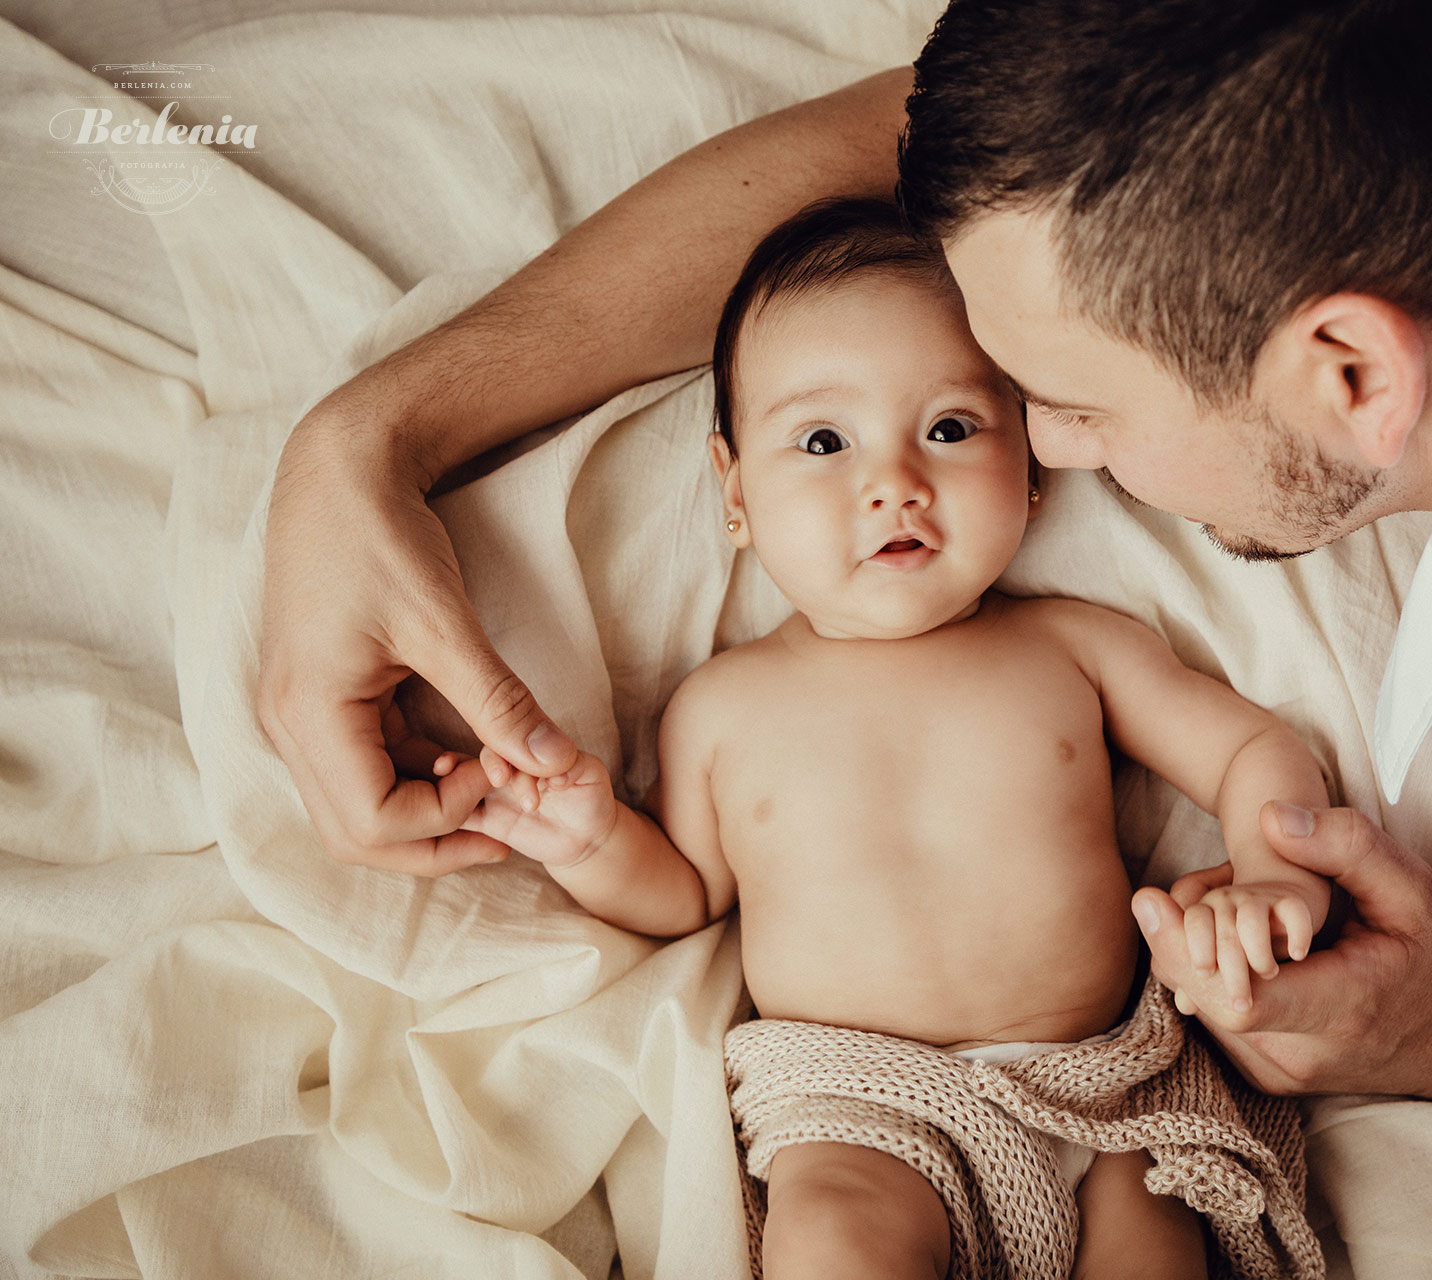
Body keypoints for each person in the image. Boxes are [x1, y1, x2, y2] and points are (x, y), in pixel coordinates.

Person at [257, 1, 1432, 1276]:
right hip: (866, 1105)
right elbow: (1019, 155)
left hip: (1119, 1076)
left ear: (1349, 373)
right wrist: (372, 439)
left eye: (1066, 405)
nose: (1050, 456)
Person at [435, 197, 1331, 1278]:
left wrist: (1274, 872)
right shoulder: (722, 705)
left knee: (1156, 1247)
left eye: (951, 427)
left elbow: (1249, 753)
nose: (893, 481)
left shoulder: (1077, 650)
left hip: (1103, 1090)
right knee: (837, 1248)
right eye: (822, 439)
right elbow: (682, 893)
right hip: (856, 1108)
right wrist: (585, 840)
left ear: (1033, 465)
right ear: (735, 494)